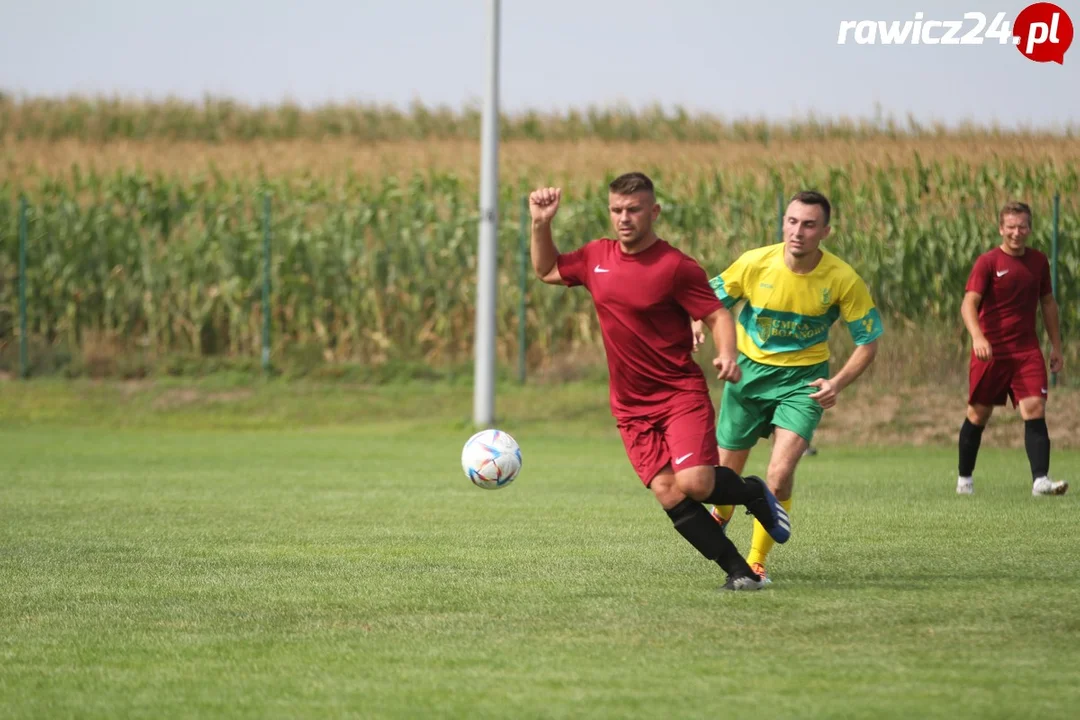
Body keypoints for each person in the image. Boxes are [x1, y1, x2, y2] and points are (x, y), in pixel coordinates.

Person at [529, 172, 790, 592]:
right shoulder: (597, 257)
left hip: (678, 394)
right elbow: (545, 270)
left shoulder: (676, 267)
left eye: (633, 210)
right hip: (631, 406)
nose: (624, 218)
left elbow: (718, 315)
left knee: (696, 484)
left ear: (654, 211)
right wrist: (541, 223)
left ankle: (750, 492)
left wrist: (727, 353)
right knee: (668, 491)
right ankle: (738, 570)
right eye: (616, 210)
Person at [696, 190, 882, 584]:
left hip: (802, 384)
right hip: (745, 379)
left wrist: (837, 383)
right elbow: (709, 301)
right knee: (722, 477)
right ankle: (725, 510)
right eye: (793, 221)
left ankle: (757, 561)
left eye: (809, 224)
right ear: (784, 223)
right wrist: (698, 324)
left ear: (825, 231)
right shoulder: (755, 263)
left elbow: (868, 342)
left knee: (779, 475)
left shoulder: (842, 279)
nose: (798, 231)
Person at [956, 201, 1067, 497]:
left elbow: (1047, 304)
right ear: (1001, 229)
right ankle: (964, 479)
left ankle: (1040, 481)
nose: (1017, 233)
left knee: (1034, 408)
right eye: (1011, 227)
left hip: (1026, 351)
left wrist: (1056, 346)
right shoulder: (988, 262)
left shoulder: (1039, 262)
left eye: (1022, 226)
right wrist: (978, 337)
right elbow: (969, 303)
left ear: (1030, 228)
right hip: (991, 351)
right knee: (978, 414)